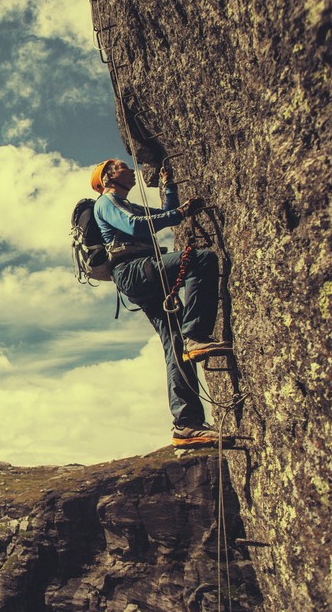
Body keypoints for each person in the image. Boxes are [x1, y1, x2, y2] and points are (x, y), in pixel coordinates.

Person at [90, 159, 231, 447]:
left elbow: (166, 216)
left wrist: (169, 189)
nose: (130, 169)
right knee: (201, 260)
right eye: (121, 166)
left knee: (173, 343)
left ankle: (186, 424)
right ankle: (196, 335)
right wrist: (177, 213)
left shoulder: (126, 205)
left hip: (139, 274)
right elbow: (136, 227)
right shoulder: (106, 203)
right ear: (107, 178)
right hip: (132, 270)